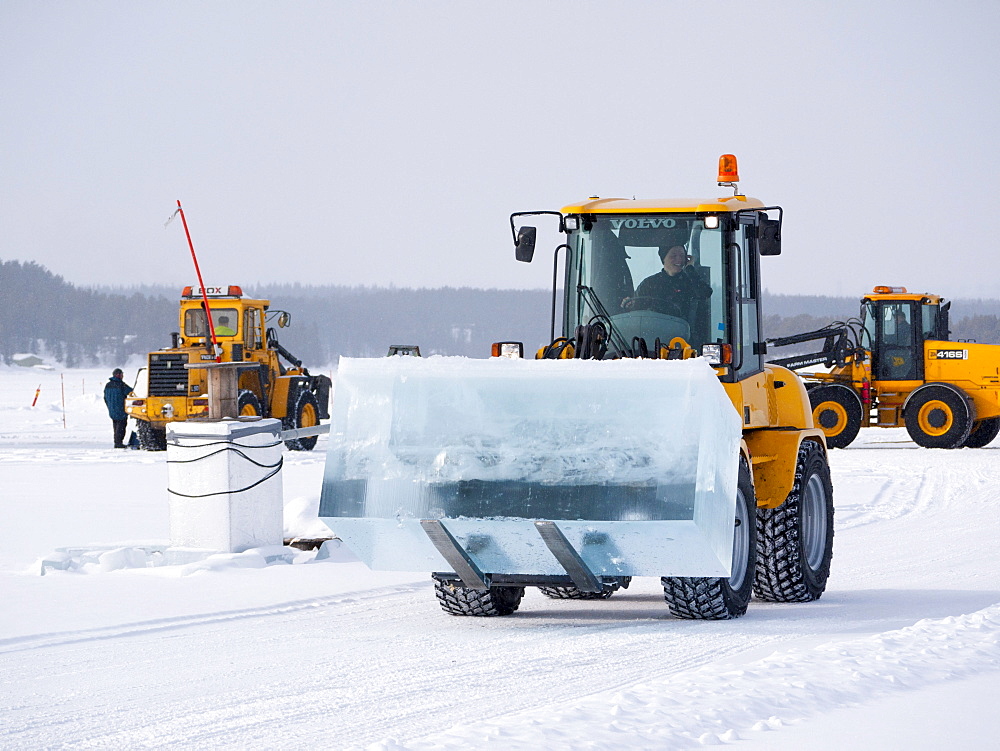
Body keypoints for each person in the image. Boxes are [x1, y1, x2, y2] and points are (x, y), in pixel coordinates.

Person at [622, 245, 712, 320]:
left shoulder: (690, 281)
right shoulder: (649, 283)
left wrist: (690, 269)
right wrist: (630, 306)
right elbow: (637, 312)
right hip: (653, 333)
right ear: (663, 258)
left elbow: (705, 293)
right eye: (673, 256)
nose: (679, 259)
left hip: (684, 337)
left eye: (682, 256)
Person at [103, 368, 133, 449]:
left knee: (115, 426)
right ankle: (118, 443)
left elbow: (105, 397)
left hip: (112, 409)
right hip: (121, 409)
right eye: (122, 374)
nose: (123, 376)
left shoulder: (108, 385)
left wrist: (110, 406)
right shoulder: (121, 385)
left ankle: (117, 441)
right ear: (118, 375)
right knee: (121, 427)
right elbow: (131, 392)